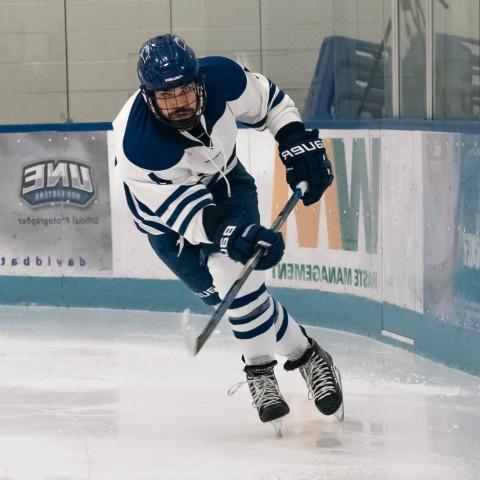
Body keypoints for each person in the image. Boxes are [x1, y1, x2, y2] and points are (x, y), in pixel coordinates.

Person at [112, 33, 343, 425]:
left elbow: (270, 101)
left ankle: (259, 372)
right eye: (167, 99)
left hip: (226, 183)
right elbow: (192, 216)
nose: (179, 105)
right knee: (238, 297)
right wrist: (231, 234)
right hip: (167, 225)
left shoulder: (224, 78)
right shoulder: (139, 146)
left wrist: (293, 139)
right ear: (150, 98)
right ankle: (308, 354)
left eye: (185, 92)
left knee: (233, 274)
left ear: (199, 81)